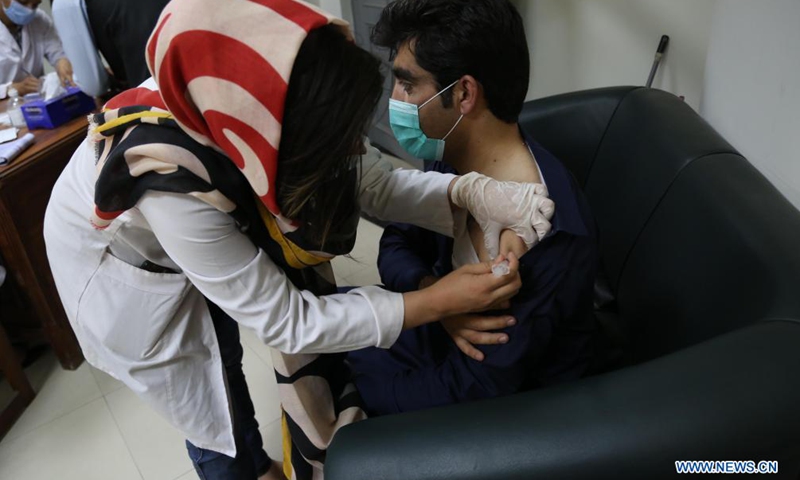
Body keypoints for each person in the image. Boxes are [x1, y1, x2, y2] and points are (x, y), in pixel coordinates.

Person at [42, 0, 554, 479]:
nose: (357, 147)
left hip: (208, 223)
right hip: (123, 267)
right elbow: (288, 320)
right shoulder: (172, 184)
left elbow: (369, 181)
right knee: (214, 405)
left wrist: (475, 193)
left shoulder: (261, 93)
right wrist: (432, 300)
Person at [346, 0, 598, 416]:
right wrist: (437, 299)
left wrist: (356, 398)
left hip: (506, 405)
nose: (395, 99)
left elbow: (478, 386)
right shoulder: (451, 152)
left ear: (463, 93)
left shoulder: (547, 236)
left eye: (408, 85)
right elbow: (395, 243)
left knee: (337, 391)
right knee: (320, 341)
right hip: (443, 337)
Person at [52, 0, 169, 97]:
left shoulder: (63, 4)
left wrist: (110, 78)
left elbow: (93, 85)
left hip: (155, 89)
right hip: (180, 58)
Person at [0, 0, 73, 98]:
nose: (29, 10)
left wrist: (63, 63)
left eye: (35, 5)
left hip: (36, 101)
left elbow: (58, 54)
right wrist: (10, 89)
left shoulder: (40, 20)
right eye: (23, 3)